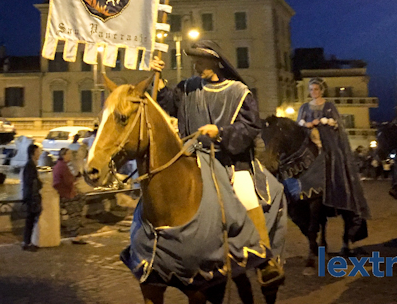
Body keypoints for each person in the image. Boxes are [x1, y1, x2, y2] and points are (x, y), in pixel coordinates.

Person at [151, 39, 284, 286]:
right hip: (192, 157)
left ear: (216, 62)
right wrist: (158, 82)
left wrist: (220, 132)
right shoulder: (188, 87)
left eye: (200, 62)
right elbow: (169, 105)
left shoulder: (238, 92)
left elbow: (250, 127)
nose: (196, 67)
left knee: (246, 195)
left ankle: (263, 257)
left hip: (229, 160)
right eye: (194, 62)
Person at [297, 78, 370, 254]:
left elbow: (337, 123)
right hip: (310, 143)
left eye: (316, 89)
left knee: (337, 159)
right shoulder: (304, 107)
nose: (314, 92)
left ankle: (340, 187)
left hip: (329, 144)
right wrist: (308, 124)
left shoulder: (329, 106)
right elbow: (299, 123)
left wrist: (325, 121)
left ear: (321, 90)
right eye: (311, 89)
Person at [52, 148, 87, 245]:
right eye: (69, 154)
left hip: (63, 193)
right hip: (66, 195)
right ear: (64, 155)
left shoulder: (59, 165)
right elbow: (68, 181)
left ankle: (75, 225)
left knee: (82, 197)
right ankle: (74, 234)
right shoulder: (63, 167)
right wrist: (76, 179)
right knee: (75, 210)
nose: (70, 156)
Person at [21, 143, 43, 251]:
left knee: (30, 220)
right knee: (30, 220)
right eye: (37, 152)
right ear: (33, 153)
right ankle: (27, 242)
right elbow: (31, 183)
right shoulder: (30, 166)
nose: (39, 154)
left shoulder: (31, 165)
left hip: (30, 196)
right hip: (31, 197)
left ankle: (28, 242)